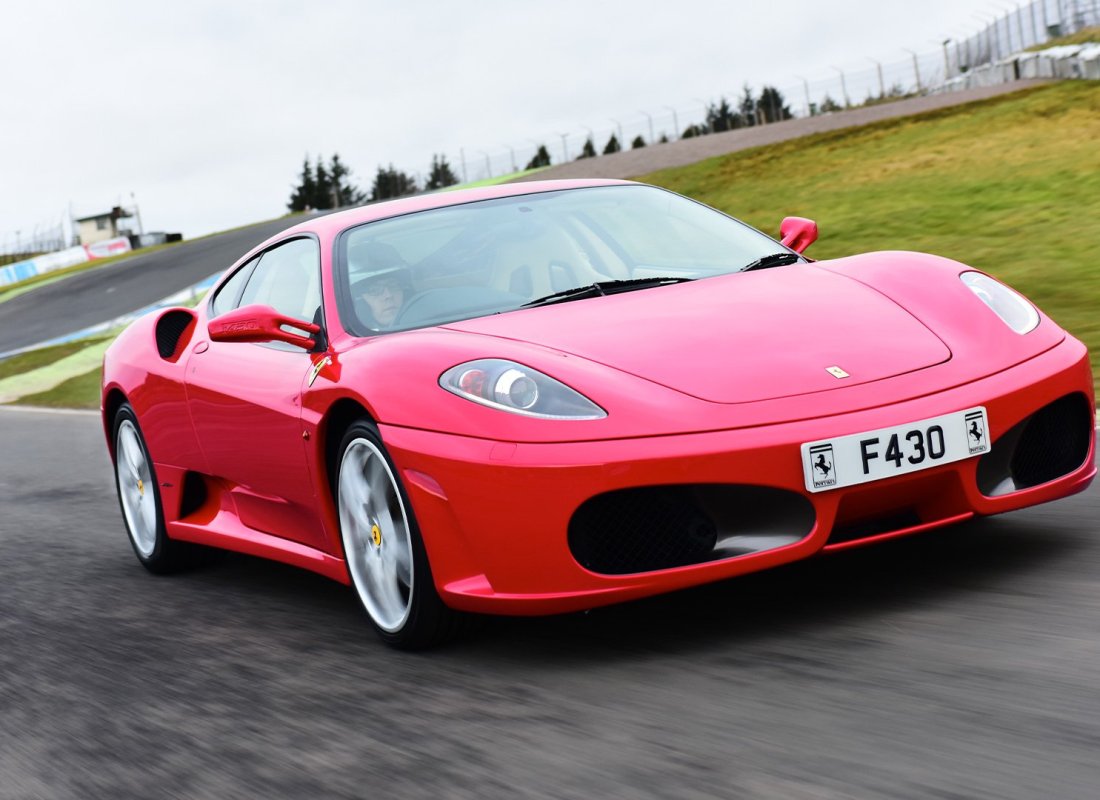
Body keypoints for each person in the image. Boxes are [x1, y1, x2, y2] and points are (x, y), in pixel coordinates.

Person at [349, 241, 411, 329]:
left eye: (393, 285)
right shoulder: (353, 337)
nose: (388, 295)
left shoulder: (428, 320)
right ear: (360, 300)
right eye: (374, 290)